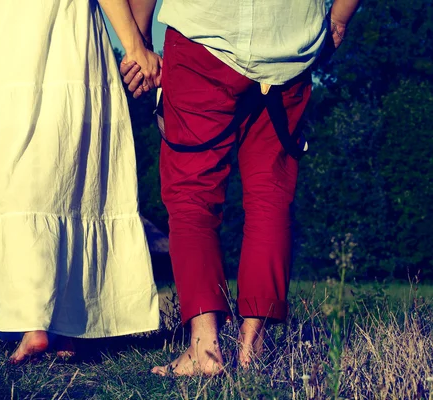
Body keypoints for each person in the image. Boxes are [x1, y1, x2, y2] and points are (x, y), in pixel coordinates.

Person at [121, 0, 361, 375]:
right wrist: (338, 20)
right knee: (271, 194)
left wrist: (139, 45)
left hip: (204, 35)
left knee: (191, 193)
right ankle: (253, 343)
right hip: (290, 45)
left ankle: (205, 349)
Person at [0, 0, 163, 363]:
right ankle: (67, 325)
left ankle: (35, 323)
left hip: (11, 47)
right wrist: (135, 46)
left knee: (18, 177)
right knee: (71, 176)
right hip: (76, 44)